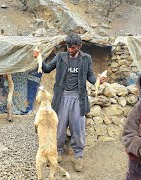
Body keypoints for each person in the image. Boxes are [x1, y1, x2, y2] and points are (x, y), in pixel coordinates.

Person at [33, 33, 106, 172]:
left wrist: (98, 80)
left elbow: (90, 75)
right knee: (59, 128)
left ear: (79, 46)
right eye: (68, 47)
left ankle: (78, 156)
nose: (70, 50)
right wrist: (39, 59)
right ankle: (57, 152)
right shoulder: (61, 57)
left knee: (77, 129)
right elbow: (47, 69)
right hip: (61, 97)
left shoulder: (86, 59)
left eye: (73, 48)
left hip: (78, 98)